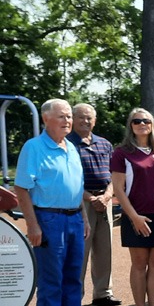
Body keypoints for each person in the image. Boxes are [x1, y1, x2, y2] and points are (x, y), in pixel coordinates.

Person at [14, 99, 88, 306]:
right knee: (51, 280)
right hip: (49, 220)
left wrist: (84, 218)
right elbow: (21, 188)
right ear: (46, 118)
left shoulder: (71, 147)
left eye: (69, 116)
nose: (67, 120)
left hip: (75, 219)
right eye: (61, 116)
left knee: (74, 278)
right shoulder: (34, 147)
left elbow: (76, 187)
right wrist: (32, 225)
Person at [111, 108, 154, 306]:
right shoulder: (121, 153)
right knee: (139, 265)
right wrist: (134, 217)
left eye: (146, 121)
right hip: (136, 217)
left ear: (152, 125)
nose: (142, 124)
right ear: (131, 125)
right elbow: (118, 189)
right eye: (137, 121)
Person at [66, 103, 120, 306]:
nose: (86, 121)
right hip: (80, 203)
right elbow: (68, 179)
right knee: (80, 250)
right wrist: (90, 198)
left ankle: (103, 293)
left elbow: (115, 175)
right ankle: (75, 295)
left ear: (95, 120)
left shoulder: (104, 144)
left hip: (104, 202)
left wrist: (106, 196)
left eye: (89, 118)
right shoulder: (67, 143)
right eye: (81, 117)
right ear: (73, 119)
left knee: (105, 250)